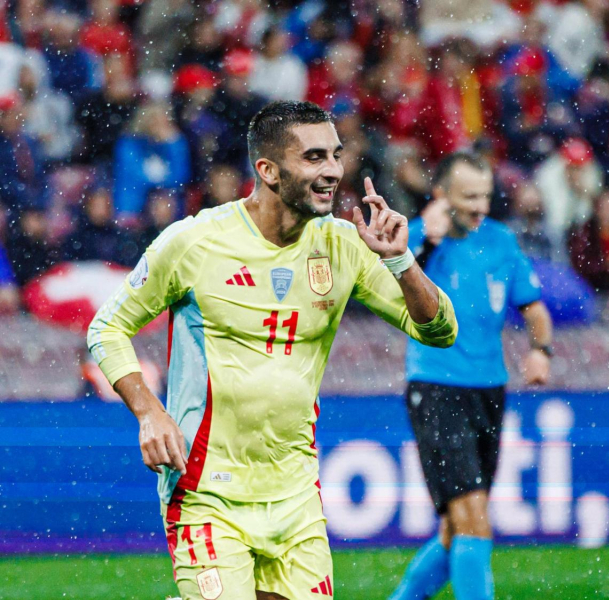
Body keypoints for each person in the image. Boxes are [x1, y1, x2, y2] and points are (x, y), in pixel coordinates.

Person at [86, 101, 457, 600]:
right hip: (206, 489)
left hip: (295, 494)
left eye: (335, 155)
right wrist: (149, 412)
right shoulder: (195, 242)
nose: (332, 171)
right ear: (268, 170)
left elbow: (440, 331)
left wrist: (400, 261)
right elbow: (107, 327)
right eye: (313, 157)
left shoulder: (346, 245)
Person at [391, 151, 552, 600]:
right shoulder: (416, 240)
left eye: (485, 195)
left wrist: (541, 350)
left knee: (454, 528)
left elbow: (534, 307)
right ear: (442, 196)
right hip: (437, 386)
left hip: (488, 388)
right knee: (474, 517)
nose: (480, 206)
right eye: (468, 197)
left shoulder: (501, 241)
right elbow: (388, 290)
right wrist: (425, 241)